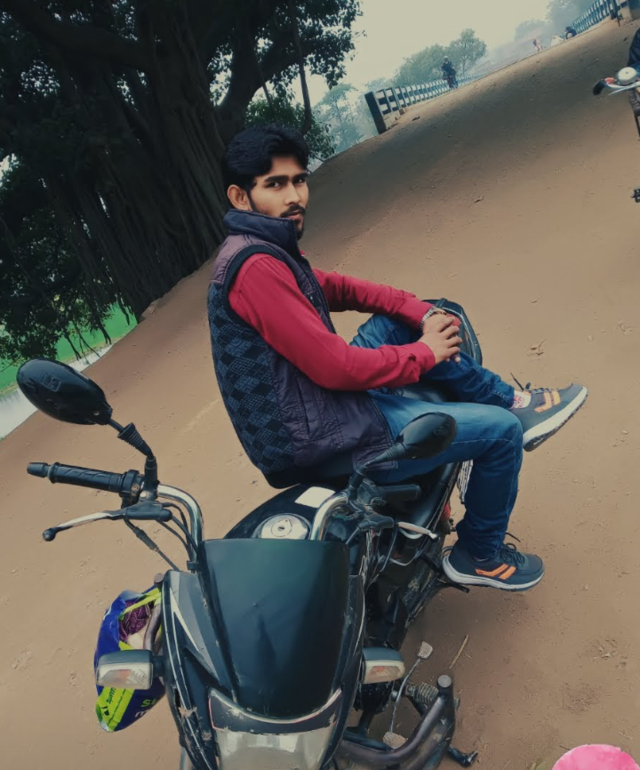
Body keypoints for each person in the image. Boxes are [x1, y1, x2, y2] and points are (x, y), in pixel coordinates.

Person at [208, 125, 588, 592]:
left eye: (299, 180)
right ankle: (480, 553)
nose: (295, 196)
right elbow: (335, 367)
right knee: (502, 434)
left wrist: (418, 310)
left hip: (315, 404)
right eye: (276, 184)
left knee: (408, 321)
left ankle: (511, 399)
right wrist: (424, 353)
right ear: (240, 196)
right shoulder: (255, 268)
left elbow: (338, 287)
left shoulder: (264, 249)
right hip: (319, 436)